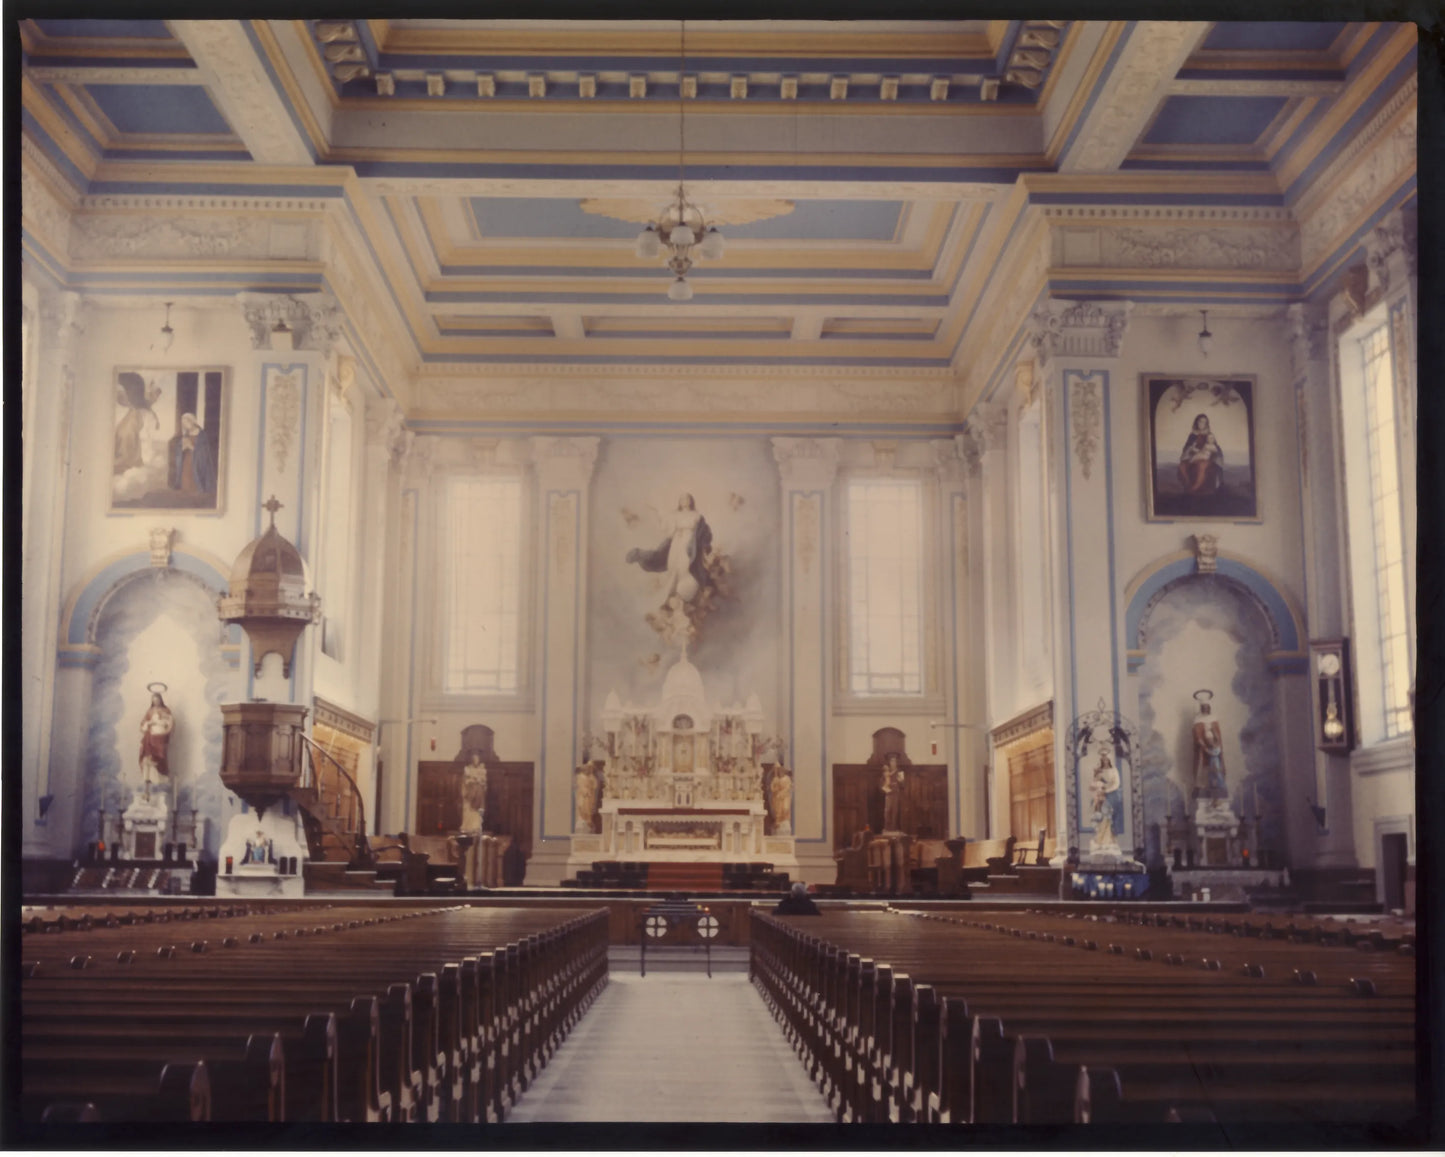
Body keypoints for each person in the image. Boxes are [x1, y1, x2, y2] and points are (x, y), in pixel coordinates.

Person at [626, 493, 714, 611]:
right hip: (677, 543)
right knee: (674, 566)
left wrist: (701, 544)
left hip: (690, 544)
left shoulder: (697, 515)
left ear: (691, 501)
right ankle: (672, 595)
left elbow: (704, 531)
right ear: (679, 501)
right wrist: (657, 510)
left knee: (685, 567)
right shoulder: (675, 514)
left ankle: (684, 595)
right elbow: (666, 527)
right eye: (682, 499)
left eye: (687, 499)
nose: (684, 501)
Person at [168, 412, 216, 497]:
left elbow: (204, 452)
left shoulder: (201, 435)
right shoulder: (186, 434)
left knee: (195, 480)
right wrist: (181, 448)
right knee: (185, 478)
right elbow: (179, 447)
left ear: (192, 421)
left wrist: (191, 447)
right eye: (183, 424)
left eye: (186, 423)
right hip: (187, 460)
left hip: (197, 462)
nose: (185, 426)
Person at [1177, 413, 1223, 495]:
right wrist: (1191, 449)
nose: (1202, 424)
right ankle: (1188, 484)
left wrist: (1211, 450)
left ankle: (1194, 488)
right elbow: (1186, 448)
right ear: (1196, 423)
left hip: (1206, 458)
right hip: (1193, 456)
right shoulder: (1192, 435)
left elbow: (1216, 447)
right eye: (1200, 422)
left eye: (1204, 422)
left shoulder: (1209, 435)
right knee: (1182, 466)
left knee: (1202, 465)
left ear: (1206, 424)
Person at [1192, 694, 1228, 800]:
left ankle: (1217, 787)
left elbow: (1218, 735)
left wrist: (1215, 743)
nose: (1205, 709)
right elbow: (1196, 735)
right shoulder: (1197, 719)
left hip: (1214, 749)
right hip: (1202, 751)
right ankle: (1201, 786)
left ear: (1209, 707)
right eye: (1203, 707)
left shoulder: (1214, 718)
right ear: (1200, 708)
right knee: (1202, 768)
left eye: (1207, 707)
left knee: (1216, 769)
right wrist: (1203, 745)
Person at [138, 690, 174, 791]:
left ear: (161, 700)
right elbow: (143, 724)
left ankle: (160, 776)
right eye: (154, 700)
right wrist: (149, 724)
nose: (156, 702)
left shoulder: (166, 710)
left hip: (161, 738)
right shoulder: (149, 711)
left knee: (160, 755)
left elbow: (170, 723)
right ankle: (149, 777)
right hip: (150, 737)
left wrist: (163, 725)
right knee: (148, 756)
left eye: (157, 700)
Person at [881, 753, 906, 832]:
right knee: (887, 811)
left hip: (896, 795)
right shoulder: (886, 773)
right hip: (888, 795)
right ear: (889, 762)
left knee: (895, 811)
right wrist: (888, 788)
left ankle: (894, 828)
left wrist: (901, 782)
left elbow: (903, 785)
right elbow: (881, 784)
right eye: (892, 761)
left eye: (894, 761)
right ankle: (887, 828)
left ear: (896, 763)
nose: (893, 763)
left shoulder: (899, 773)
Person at [574, 761, 600, 834]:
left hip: (590, 796)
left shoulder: (591, 777)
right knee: (583, 807)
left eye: (591, 769)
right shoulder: (580, 776)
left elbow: (595, 785)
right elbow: (581, 786)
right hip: (584, 796)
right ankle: (585, 819)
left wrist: (592, 777)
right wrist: (586, 791)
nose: (589, 770)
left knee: (589, 808)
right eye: (589, 768)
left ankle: (589, 819)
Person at [768, 765, 793, 835]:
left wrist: (781, 793)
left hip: (785, 797)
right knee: (777, 810)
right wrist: (775, 784)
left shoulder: (787, 778)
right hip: (777, 798)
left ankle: (784, 820)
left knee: (785, 808)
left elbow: (788, 788)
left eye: (780, 771)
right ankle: (778, 821)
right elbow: (773, 789)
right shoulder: (776, 779)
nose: (779, 772)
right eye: (778, 771)